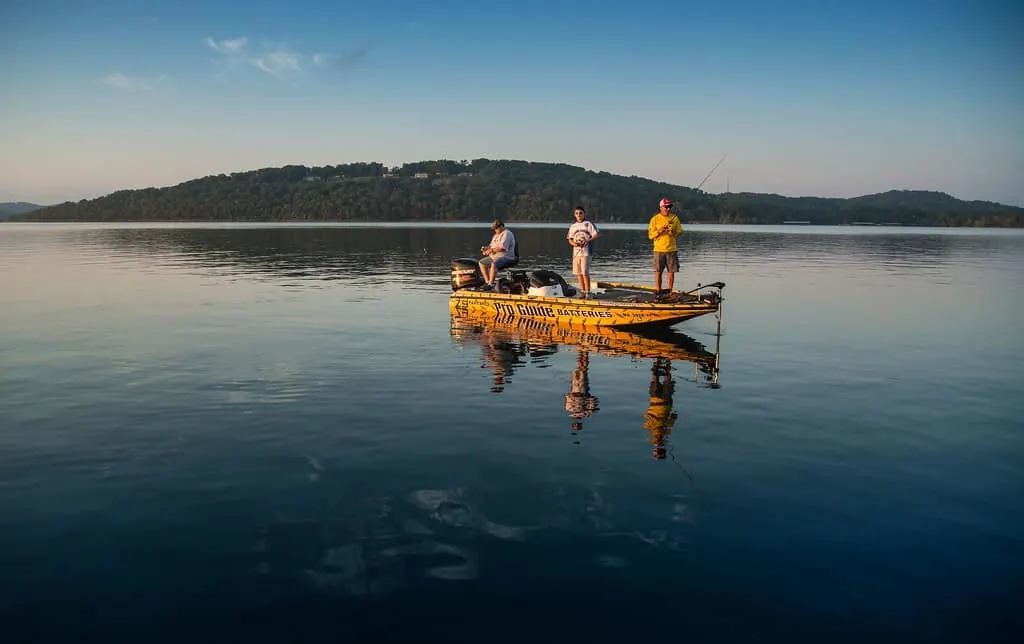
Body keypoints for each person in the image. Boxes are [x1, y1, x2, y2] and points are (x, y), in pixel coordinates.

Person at [643, 357, 678, 460]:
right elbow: (674, 417)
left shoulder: (651, 434)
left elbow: (645, 417)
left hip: (654, 401)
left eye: (656, 449)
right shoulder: (666, 432)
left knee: (655, 377)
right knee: (666, 378)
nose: (657, 446)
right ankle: (668, 361)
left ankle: (656, 361)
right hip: (665, 401)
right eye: (658, 449)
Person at [647, 198, 683, 296]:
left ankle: (669, 291)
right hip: (659, 250)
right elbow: (650, 235)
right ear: (661, 207)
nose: (668, 209)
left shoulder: (675, 218)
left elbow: (680, 232)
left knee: (671, 271)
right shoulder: (655, 219)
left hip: (672, 249)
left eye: (669, 207)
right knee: (658, 271)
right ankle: (658, 291)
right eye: (666, 207)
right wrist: (659, 231)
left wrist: (673, 232)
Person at [566, 206, 600, 298]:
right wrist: (574, 244)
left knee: (585, 272)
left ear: (584, 214)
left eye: (580, 213)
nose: (579, 215)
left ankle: (588, 293)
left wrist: (588, 240)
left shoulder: (588, 224)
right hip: (576, 252)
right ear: (574, 215)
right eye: (577, 213)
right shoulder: (573, 226)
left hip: (586, 252)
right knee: (578, 273)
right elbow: (570, 239)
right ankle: (582, 292)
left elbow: (596, 235)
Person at [478, 219, 517, 288]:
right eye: (494, 229)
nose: (495, 230)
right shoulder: (496, 235)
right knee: (481, 263)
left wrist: (491, 250)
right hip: (495, 256)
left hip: (506, 256)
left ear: (501, 226)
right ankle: (487, 282)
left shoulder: (506, 233)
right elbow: (491, 246)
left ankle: (491, 284)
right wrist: (486, 248)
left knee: (494, 264)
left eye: (496, 228)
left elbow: (503, 248)